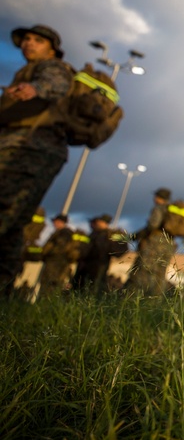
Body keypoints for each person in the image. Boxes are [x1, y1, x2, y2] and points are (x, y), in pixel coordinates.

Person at [0, 24, 74, 295]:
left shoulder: (53, 68)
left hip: (30, 150)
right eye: (26, 39)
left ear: (52, 48)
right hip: (21, 146)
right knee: (11, 223)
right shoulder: (28, 70)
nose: (29, 44)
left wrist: (34, 89)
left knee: (7, 214)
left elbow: (55, 85)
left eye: (38, 40)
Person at [124, 188, 176, 296]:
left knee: (142, 272)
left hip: (154, 246)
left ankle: (134, 298)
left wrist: (135, 236)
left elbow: (153, 225)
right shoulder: (173, 211)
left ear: (159, 197)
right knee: (160, 275)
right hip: (168, 247)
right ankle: (155, 301)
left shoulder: (159, 209)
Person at [36, 214, 89, 297]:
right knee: (49, 285)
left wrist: (47, 252)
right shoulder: (62, 232)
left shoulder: (64, 233)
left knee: (50, 286)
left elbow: (60, 249)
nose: (54, 224)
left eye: (56, 221)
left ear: (60, 222)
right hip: (56, 263)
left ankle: (45, 305)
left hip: (56, 263)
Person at [72, 213, 115, 293]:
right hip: (86, 266)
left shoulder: (107, 235)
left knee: (92, 288)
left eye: (99, 221)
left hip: (97, 268)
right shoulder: (94, 233)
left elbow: (102, 251)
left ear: (104, 223)